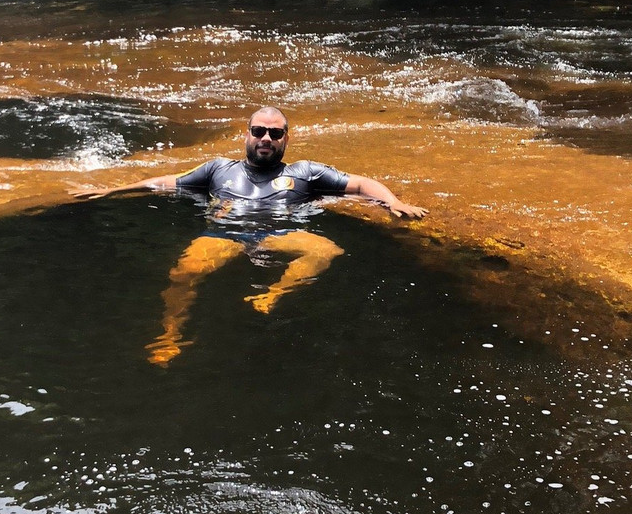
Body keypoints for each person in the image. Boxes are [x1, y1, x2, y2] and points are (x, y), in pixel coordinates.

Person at [74, 106, 428, 365]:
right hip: (226, 233)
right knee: (183, 273)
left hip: (280, 233)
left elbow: (361, 183)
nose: (266, 139)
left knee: (327, 251)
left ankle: (274, 293)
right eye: (259, 131)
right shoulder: (218, 169)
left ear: (286, 138)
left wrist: (392, 201)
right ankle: (170, 335)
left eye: (275, 134)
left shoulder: (305, 172)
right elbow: (166, 182)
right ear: (247, 134)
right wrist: (113, 191)